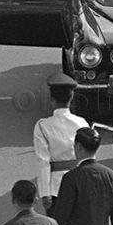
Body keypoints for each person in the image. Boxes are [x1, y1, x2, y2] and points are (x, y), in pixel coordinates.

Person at [33, 73, 88, 216]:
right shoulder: (82, 123)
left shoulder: (42, 126)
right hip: (80, 185)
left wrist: (45, 193)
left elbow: (43, 161)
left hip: (56, 188)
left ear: (51, 99)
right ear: (72, 98)